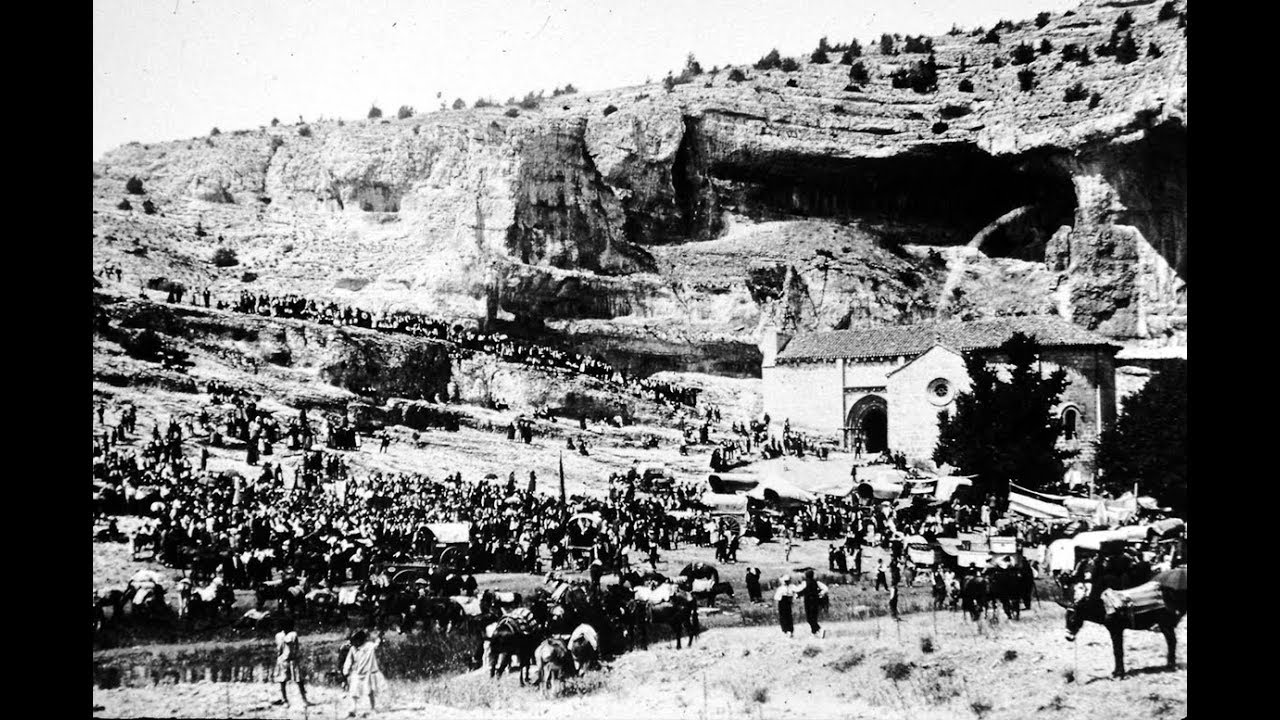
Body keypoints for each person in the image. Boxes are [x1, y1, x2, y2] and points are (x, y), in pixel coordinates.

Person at [342, 629, 386, 717]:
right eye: (354, 640)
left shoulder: (369, 646)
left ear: (361, 639)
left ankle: (372, 708)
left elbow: (377, 645)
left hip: (368, 673)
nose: (355, 642)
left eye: (356, 640)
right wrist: (346, 670)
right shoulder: (353, 649)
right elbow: (349, 660)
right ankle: (353, 709)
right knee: (354, 691)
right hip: (357, 673)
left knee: (370, 691)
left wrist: (380, 637)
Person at [272, 618, 310, 707]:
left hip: (292, 659)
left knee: (298, 679)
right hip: (284, 660)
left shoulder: (292, 635)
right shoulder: (279, 635)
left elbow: (294, 648)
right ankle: (285, 699)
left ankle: (303, 699)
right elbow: (279, 649)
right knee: (283, 680)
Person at [798, 570, 826, 638]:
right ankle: (814, 632)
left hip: (808, 601)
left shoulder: (805, 583)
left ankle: (819, 629)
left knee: (809, 618)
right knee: (814, 617)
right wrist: (821, 594)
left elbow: (799, 589)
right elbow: (825, 588)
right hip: (816, 601)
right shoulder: (816, 582)